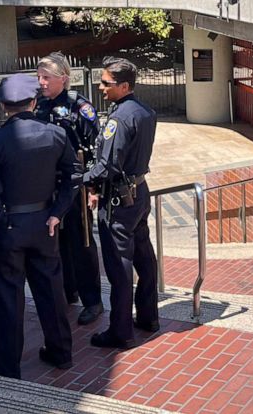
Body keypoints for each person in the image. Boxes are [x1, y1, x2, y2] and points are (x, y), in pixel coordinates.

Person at [0, 74, 77, 379]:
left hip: (10, 227)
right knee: (51, 291)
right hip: (45, 223)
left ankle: (7, 367)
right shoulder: (55, 135)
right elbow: (72, 176)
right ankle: (61, 353)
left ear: (5, 105)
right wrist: (58, 213)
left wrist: (1, 220)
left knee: (8, 297)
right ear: (34, 102)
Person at [83, 57, 159, 350]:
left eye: (106, 83)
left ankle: (121, 331)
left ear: (124, 86)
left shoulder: (119, 118)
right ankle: (149, 316)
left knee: (120, 265)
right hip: (139, 193)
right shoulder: (144, 111)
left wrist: (81, 179)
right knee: (144, 257)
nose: (101, 88)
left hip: (119, 200)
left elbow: (107, 166)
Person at [35, 52, 104, 327]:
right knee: (58, 242)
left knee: (82, 242)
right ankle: (68, 291)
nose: (41, 82)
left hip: (76, 185)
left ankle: (93, 301)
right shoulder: (38, 105)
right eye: (38, 77)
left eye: (46, 77)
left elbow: (96, 149)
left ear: (63, 79)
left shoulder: (80, 107)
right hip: (49, 185)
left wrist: (93, 188)